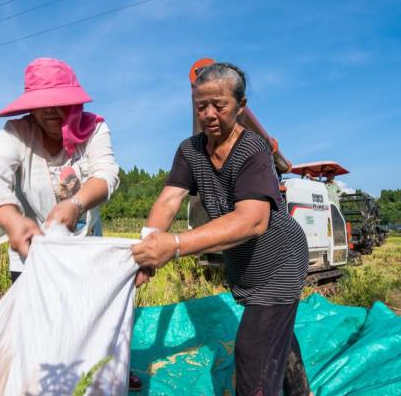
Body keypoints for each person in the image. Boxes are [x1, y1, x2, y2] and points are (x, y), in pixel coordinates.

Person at [132, 62, 312, 396]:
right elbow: (169, 199)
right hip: (246, 265)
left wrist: (172, 246)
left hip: (281, 260)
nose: (210, 114)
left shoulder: (253, 150)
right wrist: (148, 243)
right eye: (201, 106)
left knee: (253, 354)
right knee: (277, 334)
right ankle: (302, 392)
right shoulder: (189, 150)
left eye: (220, 105)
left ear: (240, 107)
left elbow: (252, 220)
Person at [0, 57, 143, 391]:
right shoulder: (18, 133)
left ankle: (106, 370)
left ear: (73, 100)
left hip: (85, 246)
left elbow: (106, 174)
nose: (50, 111)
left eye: (58, 103)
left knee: (94, 319)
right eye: (41, 105)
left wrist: (75, 204)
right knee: (38, 325)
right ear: (30, 108)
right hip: (33, 248)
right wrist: (11, 219)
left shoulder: (93, 129)